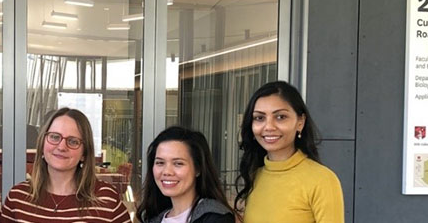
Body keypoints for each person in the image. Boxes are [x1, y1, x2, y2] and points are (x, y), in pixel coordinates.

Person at [235, 81, 344, 223]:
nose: (269, 126)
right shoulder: (255, 176)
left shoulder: (322, 180)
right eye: (259, 118)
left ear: (300, 122)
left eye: (280, 117)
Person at [0, 107, 130, 223]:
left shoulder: (106, 198)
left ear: (84, 153)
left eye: (73, 141)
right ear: (42, 144)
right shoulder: (18, 197)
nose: (61, 147)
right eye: (55, 137)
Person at [137, 126, 239, 223]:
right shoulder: (154, 218)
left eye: (178, 163)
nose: (167, 171)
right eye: (160, 163)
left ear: (198, 169)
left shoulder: (215, 217)